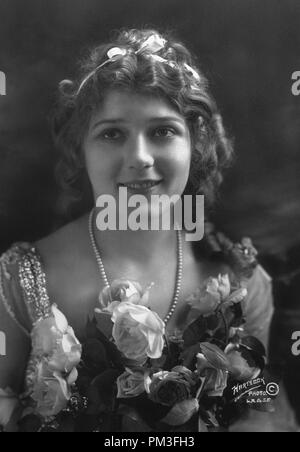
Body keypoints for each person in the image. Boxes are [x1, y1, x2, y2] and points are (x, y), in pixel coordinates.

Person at [0, 28, 297, 432]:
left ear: (195, 144)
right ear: (80, 150)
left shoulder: (239, 280)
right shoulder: (24, 277)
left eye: (162, 131)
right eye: (112, 133)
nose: (139, 157)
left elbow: (259, 405)